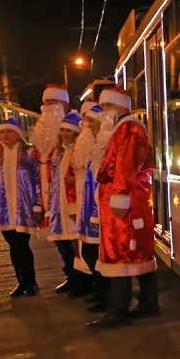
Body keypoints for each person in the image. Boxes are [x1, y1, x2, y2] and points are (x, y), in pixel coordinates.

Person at [88, 86, 158, 330]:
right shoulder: (122, 128)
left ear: (120, 106)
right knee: (136, 253)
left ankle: (117, 310)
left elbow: (126, 166)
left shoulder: (129, 128)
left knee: (122, 253)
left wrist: (119, 196)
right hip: (125, 200)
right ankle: (148, 303)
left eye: (107, 106)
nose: (103, 111)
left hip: (126, 201)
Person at [0, 117, 43, 297]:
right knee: (13, 246)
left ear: (18, 134)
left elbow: (38, 180)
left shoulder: (30, 154)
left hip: (24, 207)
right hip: (4, 210)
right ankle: (21, 282)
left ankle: (31, 281)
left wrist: (37, 205)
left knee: (21, 245)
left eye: (9, 131)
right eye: (2, 132)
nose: (5, 135)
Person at [69, 102, 110, 311]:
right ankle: (101, 290)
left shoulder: (105, 144)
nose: (87, 124)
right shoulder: (89, 144)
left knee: (98, 252)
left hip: (100, 206)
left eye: (91, 121)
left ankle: (107, 295)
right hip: (88, 207)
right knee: (89, 252)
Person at [45, 111, 87, 296]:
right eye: (62, 130)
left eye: (68, 130)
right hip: (58, 205)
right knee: (62, 244)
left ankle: (83, 281)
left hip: (72, 204)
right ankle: (71, 277)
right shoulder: (58, 153)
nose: (64, 133)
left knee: (75, 245)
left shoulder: (80, 150)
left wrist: (75, 178)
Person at [34, 83, 70, 217]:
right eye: (46, 101)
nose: (48, 105)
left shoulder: (74, 125)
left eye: (53, 101)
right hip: (45, 186)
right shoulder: (41, 130)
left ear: (63, 103)